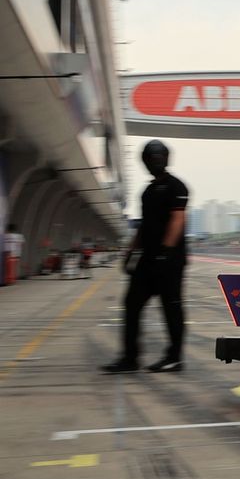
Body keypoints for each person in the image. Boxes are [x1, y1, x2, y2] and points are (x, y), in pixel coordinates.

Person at [102, 140, 189, 374]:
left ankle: (174, 358)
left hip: (169, 261)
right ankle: (130, 358)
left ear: (166, 158)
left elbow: (177, 219)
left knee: (171, 307)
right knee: (131, 304)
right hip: (147, 261)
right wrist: (130, 251)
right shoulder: (147, 191)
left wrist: (166, 252)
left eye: (159, 156)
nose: (156, 161)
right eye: (152, 157)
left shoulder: (177, 187)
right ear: (146, 161)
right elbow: (143, 226)